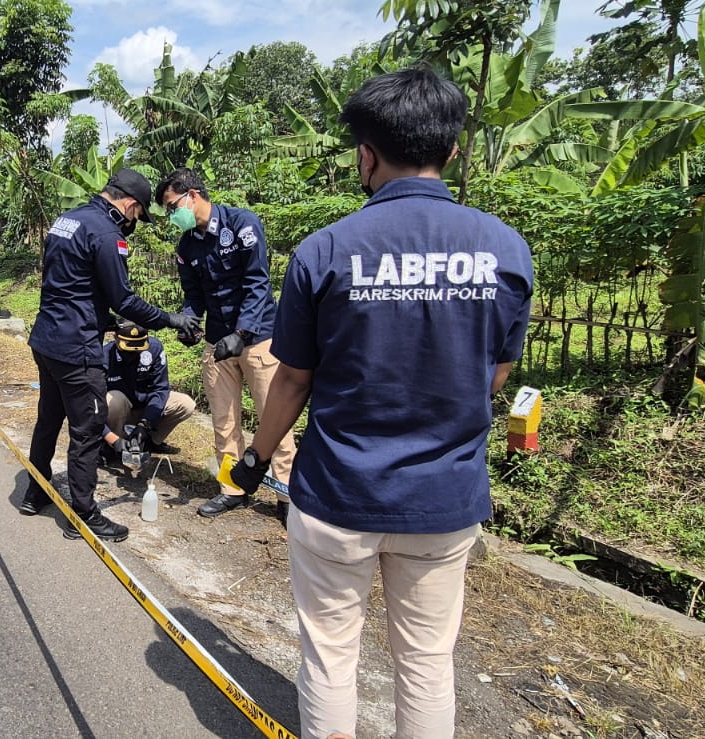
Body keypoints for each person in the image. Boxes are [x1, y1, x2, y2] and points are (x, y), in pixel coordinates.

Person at [225, 68, 534, 737]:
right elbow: (496, 372)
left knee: (332, 657)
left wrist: (254, 458)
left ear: (366, 153)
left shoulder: (325, 250)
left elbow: (294, 379)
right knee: (426, 661)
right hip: (443, 500)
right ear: (452, 151)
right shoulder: (505, 248)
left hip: (339, 493)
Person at [20, 169, 202, 542]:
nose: (134, 222)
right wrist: (172, 319)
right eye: (138, 215)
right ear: (130, 205)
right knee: (86, 430)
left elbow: (69, 284)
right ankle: (83, 514)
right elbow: (125, 298)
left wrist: (107, 320)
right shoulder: (107, 234)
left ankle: (35, 493)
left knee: (48, 422)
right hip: (77, 351)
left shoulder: (66, 220)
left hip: (47, 339)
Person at [154, 168, 298, 518]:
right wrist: (189, 323)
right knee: (224, 421)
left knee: (273, 418)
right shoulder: (186, 246)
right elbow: (194, 295)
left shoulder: (242, 224)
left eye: (173, 206)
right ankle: (232, 488)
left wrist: (243, 333)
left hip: (259, 337)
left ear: (193, 195)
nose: (173, 216)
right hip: (218, 342)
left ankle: (286, 497)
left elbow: (257, 282)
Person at [100, 323, 196, 467]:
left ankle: (148, 443)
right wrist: (111, 437)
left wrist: (145, 424)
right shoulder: (104, 356)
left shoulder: (155, 349)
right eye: (128, 350)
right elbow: (89, 405)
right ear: (115, 338)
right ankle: (112, 446)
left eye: (137, 350)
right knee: (112, 400)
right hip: (119, 412)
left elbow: (160, 389)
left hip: (145, 408)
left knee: (185, 404)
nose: (133, 355)